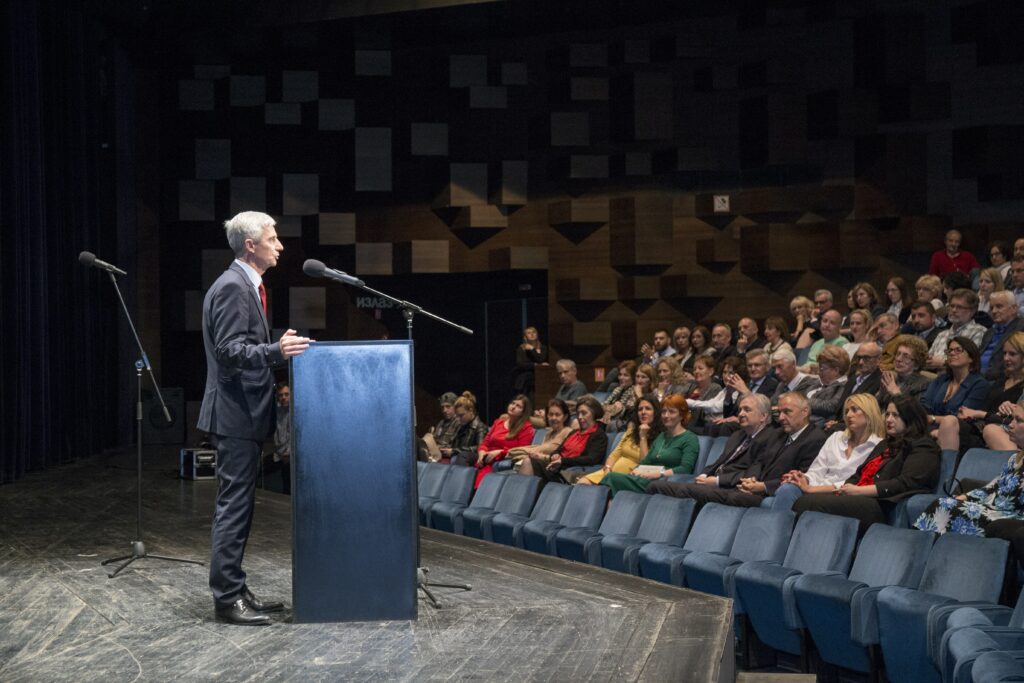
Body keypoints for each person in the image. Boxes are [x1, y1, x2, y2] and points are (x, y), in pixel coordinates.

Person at [198, 211, 311, 626]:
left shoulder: (246, 285)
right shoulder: (232, 287)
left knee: (240, 508)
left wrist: (273, 348)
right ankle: (226, 599)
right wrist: (274, 352)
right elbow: (230, 351)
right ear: (251, 245)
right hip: (234, 414)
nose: (279, 245)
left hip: (243, 414)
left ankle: (235, 588)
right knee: (234, 507)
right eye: (273, 238)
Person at [794, 396, 940, 535]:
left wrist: (859, 491)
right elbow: (858, 475)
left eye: (895, 415)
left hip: (881, 504)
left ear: (910, 418)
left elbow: (906, 483)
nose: (888, 419)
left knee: (809, 503)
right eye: (887, 414)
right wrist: (844, 489)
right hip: (862, 499)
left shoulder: (923, 446)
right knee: (804, 501)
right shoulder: (886, 444)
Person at [645, 393, 780, 505]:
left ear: (763, 416)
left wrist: (716, 481)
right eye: (740, 410)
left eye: (747, 410)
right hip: (714, 483)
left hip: (732, 488)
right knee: (655, 486)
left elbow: (753, 473)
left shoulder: (770, 438)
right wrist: (704, 474)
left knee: (684, 491)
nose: (741, 414)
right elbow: (719, 462)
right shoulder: (737, 435)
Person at [915, 402, 1024, 536]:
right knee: (944, 503)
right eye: (1012, 418)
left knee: (946, 508)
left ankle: (921, 549)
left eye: (1018, 420)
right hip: (994, 511)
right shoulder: (1015, 459)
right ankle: (924, 549)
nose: (1011, 424)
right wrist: (965, 496)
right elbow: (993, 487)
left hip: (1011, 519)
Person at [780, 394, 886, 494]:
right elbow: (816, 471)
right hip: (814, 490)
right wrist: (802, 478)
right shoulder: (836, 437)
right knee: (788, 487)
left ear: (869, 413)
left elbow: (856, 483)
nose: (848, 415)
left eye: (854, 410)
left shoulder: (878, 446)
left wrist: (812, 489)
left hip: (843, 495)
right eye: (846, 411)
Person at [601, 394, 699, 495]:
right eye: (664, 411)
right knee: (611, 481)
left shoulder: (690, 438)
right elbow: (645, 462)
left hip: (664, 483)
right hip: (647, 479)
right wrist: (635, 471)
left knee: (611, 478)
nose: (666, 415)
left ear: (682, 415)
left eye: (671, 412)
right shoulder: (662, 436)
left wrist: (658, 474)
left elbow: (685, 468)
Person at [943, 332, 1024, 453]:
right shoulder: (1000, 381)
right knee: (949, 422)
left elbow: (1013, 422)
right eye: (1005, 353)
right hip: (981, 427)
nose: (1006, 358)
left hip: (1003, 432)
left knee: (952, 425)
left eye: (1012, 354)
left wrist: (978, 414)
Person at [520, 395, 607, 481]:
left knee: (528, 463)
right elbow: (558, 450)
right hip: (557, 468)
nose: (580, 417)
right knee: (529, 461)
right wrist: (555, 455)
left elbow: (591, 459)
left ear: (594, 414)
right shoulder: (574, 432)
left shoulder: (599, 435)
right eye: (578, 413)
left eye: (584, 413)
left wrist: (562, 461)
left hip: (570, 472)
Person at [580, 395, 661, 485]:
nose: (643, 412)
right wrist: (607, 469)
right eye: (640, 409)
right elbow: (614, 454)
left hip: (629, 478)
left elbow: (645, 464)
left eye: (648, 409)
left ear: (656, 412)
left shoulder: (660, 437)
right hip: (610, 473)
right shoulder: (631, 431)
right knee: (582, 483)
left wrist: (643, 437)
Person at [466, 395, 535, 487]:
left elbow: (522, 451)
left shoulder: (526, 428)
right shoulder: (498, 422)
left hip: (503, 459)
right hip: (486, 459)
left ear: (523, 412)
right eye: (512, 403)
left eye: (518, 406)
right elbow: (485, 443)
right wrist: (481, 453)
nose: (513, 407)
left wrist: (500, 452)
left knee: (481, 482)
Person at [921, 337, 989, 425]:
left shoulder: (979, 385)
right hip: (929, 426)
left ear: (971, 357)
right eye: (950, 350)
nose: (952, 353)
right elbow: (924, 404)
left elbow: (963, 416)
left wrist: (933, 418)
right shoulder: (941, 379)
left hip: (958, 432)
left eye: (958, 350)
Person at [927, 288, 988, 370]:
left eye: (960, 307)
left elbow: (970, 360)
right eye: (952, 306)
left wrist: (944, 362)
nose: (954, 310)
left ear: (972, 311)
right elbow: (928, 360)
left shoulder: (979, 331)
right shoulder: (942, 334)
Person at [508, 399, 574, 473]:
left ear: (565, 417)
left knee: (527, 462)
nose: (553, 418)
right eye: (551, 414)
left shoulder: (568, 432)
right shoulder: (548, 434)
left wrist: (541, 457)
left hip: (557, 469)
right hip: (543, 466)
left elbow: (567, 458)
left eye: (557, 415)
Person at [979, 290, 1024, 380]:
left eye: (999, 306)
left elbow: (1011, 364)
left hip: (999, 379)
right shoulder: (989, 332)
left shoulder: (1021, 328)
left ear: (1014, 309)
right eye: (991, 308)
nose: (994, 311)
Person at [876, 335, 931, 407]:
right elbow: (877, 405)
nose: (898, 359)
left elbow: (916, 413)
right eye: (898, 354)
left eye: (906, 356)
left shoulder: (923, 385)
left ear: (917, 364)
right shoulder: (891, 378)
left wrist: (896, 393)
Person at [806, 346, 849, 427]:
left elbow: (831, 406)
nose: (818, 372)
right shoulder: (819, 382)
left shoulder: (843, 385)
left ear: (836, 370)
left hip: (816, 425)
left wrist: (803, 402)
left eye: (822, 369)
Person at [684, 356, 724, 431]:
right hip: (684, 423)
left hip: (699, 427)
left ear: (711, 372)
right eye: (695, 369)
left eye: (700, 368)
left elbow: (705, 412)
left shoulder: (715, 388)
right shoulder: (691, 386)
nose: (696, 371)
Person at [448, 392, 489, 464]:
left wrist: (455, 451)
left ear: (470, 411)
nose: (458, 419)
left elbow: (480, 448)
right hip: (458, 457)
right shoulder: (460, 426)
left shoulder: (480, 427)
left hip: (469, 459)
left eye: (461, 415)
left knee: (456, 458)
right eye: (457, 416)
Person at [419, 391, 460, 462]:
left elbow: (454, 446)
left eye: (448, 407)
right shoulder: (441, 423)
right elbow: (434, 439)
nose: (444, 410)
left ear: (455, 407)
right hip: (435, 453)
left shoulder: (459, 423)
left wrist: (436, 447)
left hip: (447, 456)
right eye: (442, 407)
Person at [267, 382, 292, 494]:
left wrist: (288, 454)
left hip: (291, 457)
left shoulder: (296, 411)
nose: (284, 397)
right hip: (279, 454)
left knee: (288, 485)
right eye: (281, 395)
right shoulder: (278, 411)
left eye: (286, 394)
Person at [602, 360, 638, 432]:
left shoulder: (634, 391)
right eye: (620, 374)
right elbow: (603, 406)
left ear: (633, 377)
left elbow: (624, 411)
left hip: (624, 423)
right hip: (610, 419)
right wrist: (612, 408)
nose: (621, 378)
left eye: (625, 375)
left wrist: (611, 409)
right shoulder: (617, 389)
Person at [512, 326, 548, 397]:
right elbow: (521, 364)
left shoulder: (543, 348)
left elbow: (541, 359)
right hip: (526, 377)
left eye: (534, 332)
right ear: (525, 337)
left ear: (537, 335)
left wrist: (532, 349)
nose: (532, 334)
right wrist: (536, 365)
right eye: (529, 333)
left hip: (541, 376)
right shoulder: (521, 348)